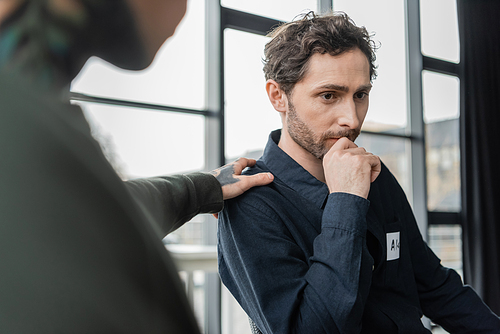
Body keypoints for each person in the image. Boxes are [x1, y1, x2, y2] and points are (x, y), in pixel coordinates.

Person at [217, 12, 500, 333]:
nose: (351, 119)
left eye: (360, 95)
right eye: (329, 96)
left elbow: (434, 286)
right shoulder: (251, 206)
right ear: (278, 96)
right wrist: (346, 201)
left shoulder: (375, 175)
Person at [0, 0, 273, 333]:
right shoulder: (22, 128)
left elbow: (92, 213)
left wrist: (203, 187)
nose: (183, 10)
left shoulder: (32, 103)